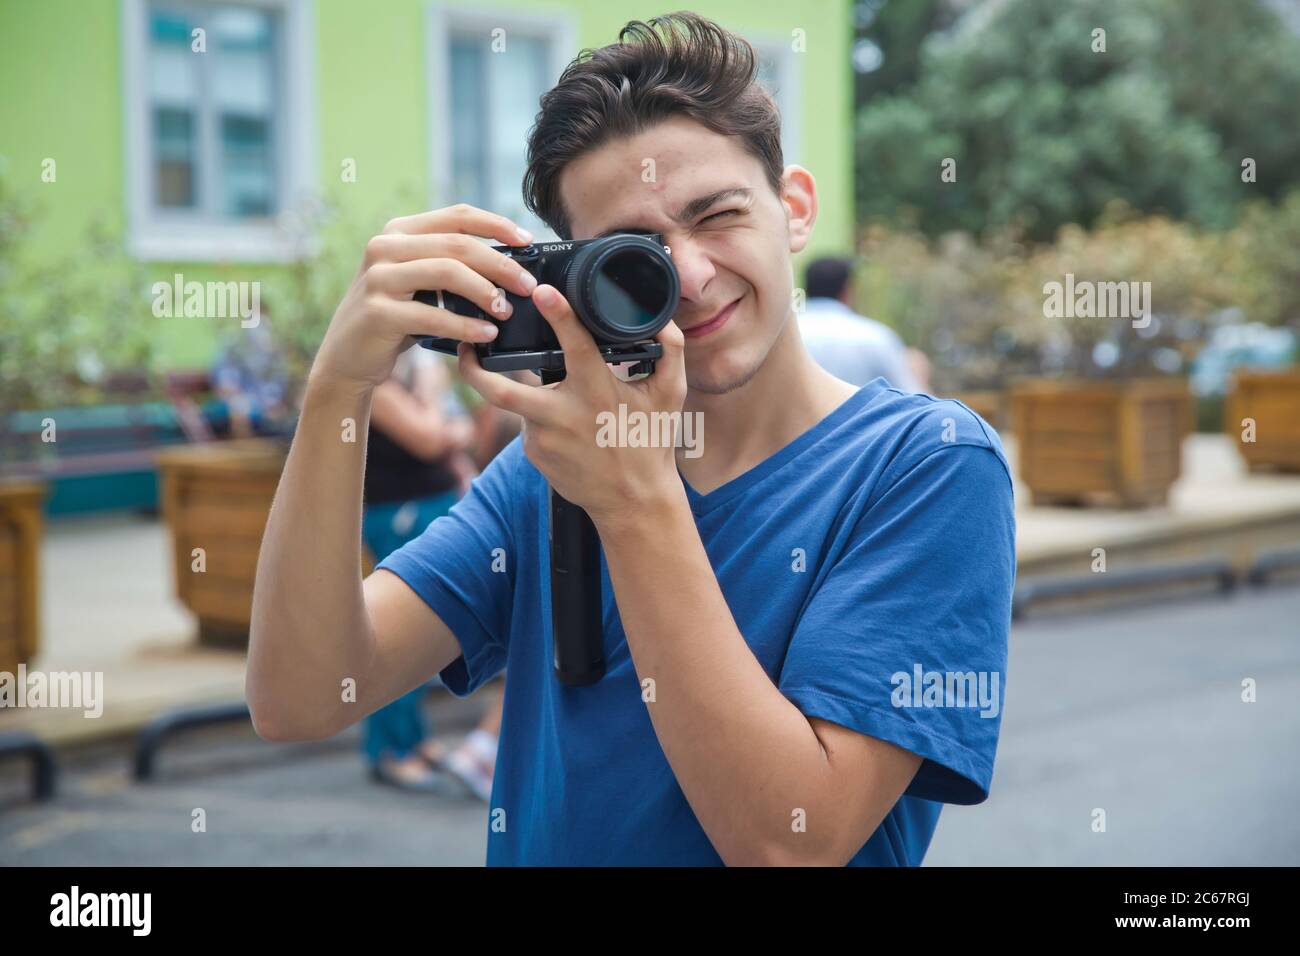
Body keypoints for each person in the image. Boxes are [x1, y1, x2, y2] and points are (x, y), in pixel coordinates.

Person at [247, 12, 1015, 866]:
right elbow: (301, 698)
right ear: (576, 280)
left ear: (793, 208)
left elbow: (790, 844)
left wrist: (631, 497)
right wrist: (336, 394)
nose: (688, 277)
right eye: (635, 253)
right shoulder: (549, 470)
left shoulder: (927, 466)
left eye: (717, 214)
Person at [360, 344, 501, 799]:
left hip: (430, 507)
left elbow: (464, 429)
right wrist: (437, 401)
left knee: (427, 641)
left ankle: (415, 741)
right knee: (396, 639)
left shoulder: (411, 376)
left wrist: (445, 424)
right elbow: (428, 436)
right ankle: (389, 752)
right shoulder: (374, 380)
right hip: (397, 512)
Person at [799, 257, 922, 392]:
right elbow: (909, 396)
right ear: (847, 290)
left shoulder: (787, 333)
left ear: (806, 289)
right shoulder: (876, 337)